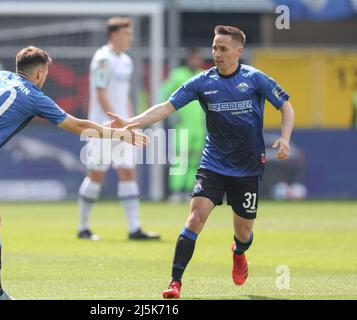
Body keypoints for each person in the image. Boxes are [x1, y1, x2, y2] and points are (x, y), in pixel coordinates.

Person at [0, 46, 147, 300]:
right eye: (45, 74)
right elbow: (78, 126)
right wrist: (120, 134)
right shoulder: (35, 96)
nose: (44, 78)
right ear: (37, 74)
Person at [107, 25, 295, 299]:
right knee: (195, 218)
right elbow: (165, 107)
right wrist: (131, 122)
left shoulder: (255, 79)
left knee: (243, 232)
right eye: (214, 48)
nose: (216, 53)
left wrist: (285, 138)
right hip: (213, 165)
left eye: (223, 49)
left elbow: (286, 107)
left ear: (239, 52)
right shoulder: (203, 82)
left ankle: (239, 252)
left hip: (247, 167)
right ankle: (175, 282)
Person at [77, 17, 159, 241]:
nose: (130, 37)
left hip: (123, 127)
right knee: (96, 175)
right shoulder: (102, 59)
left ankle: (134, 228)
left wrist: (131, 122)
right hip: (101, 126)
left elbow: (124, 97)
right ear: (114, 35)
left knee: (128, 172)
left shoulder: (126, 61)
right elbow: (101, 93)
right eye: (126, 33)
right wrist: (117, 120)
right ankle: (83, 227)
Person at [160, 48, 206, 202]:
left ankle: (189, 191)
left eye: (198, 59)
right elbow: (163, 93)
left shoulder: (203, 75)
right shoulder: (178, 75)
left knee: (195, 160)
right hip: (183, 125)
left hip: (199, 126)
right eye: (194, 58)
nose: (196, 62)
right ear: (188, 60)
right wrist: (172, 116)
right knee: (180, 158)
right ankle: (176, 191)